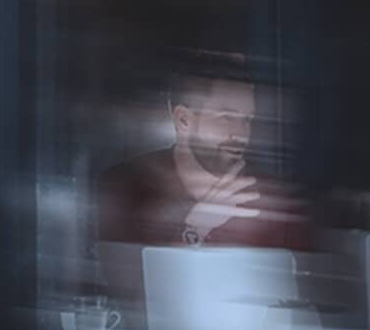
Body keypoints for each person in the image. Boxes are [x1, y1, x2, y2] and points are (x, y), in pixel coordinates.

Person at [96, 65, 307, 250]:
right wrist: (196, 229)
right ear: (183, 120)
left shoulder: (271, 199)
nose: (240, 134)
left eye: (247, 119)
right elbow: (131, 281)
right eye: (226, 117)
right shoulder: (128, 188)